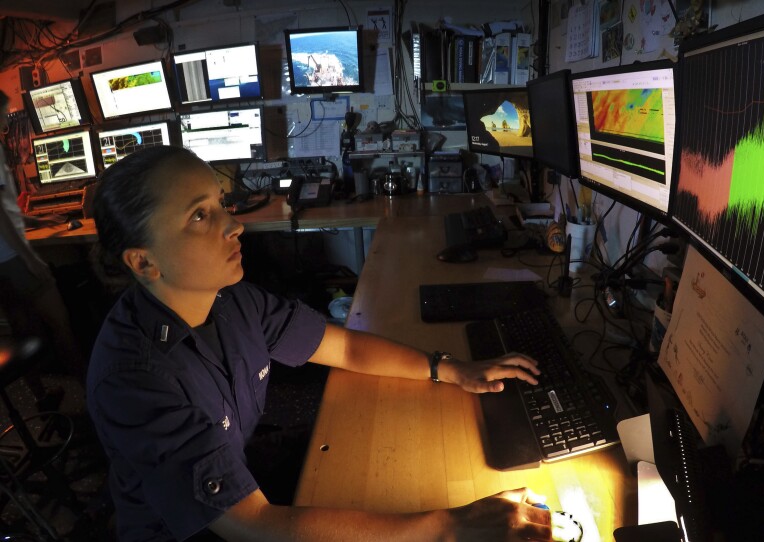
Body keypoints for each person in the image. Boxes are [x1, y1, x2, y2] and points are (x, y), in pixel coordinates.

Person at [87, 145, 553, 542]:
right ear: (144, 262)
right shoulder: (133, 378)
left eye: (221, 204)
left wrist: (449, 368)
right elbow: (253, 525)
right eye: (200, 216)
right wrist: (451, 527)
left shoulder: (232, 300)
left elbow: (345, 349)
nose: (234, 226)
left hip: (246, 472)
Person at [0, 90, 83, 409]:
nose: (5, 124)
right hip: (11, 260)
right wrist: (30, 260)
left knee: (23, 329)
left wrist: (39, 219)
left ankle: (41, 398)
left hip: (2, 267)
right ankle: (89, 392)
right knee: (62, 324)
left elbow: (6, 210)